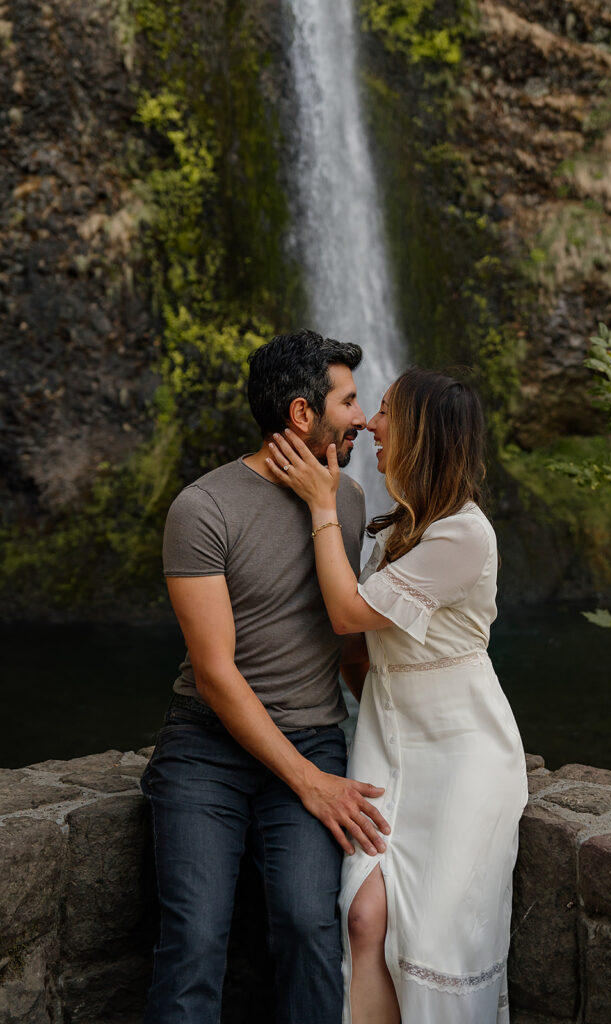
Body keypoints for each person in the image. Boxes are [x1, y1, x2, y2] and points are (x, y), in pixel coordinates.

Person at [140, 328, 391, 1024]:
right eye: (347, 401)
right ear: (303, 414)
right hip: (207, 749)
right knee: (192, 938)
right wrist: (312, 785)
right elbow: (217, 677)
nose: (364, 419)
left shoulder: (346, 501)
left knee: (311, 924)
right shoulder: (203, 508)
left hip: (313, 736)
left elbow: (349, 647)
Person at [269, 367, 528, 1024]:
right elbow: (360, 654)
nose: (369, 424)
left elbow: (348, 616)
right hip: (389, 744)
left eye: (384, 411)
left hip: (463, 753)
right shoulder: (394, 530)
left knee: (436, 945)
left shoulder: (462, 535)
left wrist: (322, 506)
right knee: (362, 917)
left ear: (421, 431)